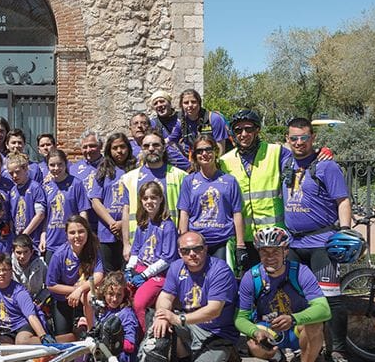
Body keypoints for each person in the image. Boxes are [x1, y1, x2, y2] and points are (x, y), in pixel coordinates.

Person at [282, 117, 353, 362]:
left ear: (313, 138)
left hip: (321, 242)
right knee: (297, 299)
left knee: (331, 301)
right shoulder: (286, 161)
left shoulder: (327, 166)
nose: (299, 142)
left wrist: (344, 232)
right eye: (294, 138)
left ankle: (339, 355)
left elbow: (342, 200)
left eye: (304, 138)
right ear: (287, 140)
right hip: (293, 243)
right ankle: (307, 350)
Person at [234, 227, 330, 362]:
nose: (270, 257)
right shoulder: (252, 277)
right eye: (264, 252)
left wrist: (293, 319)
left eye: (275, 252)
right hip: (269, 330)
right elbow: (240, 318)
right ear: (258, 253)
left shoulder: (300, 272)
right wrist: (255, 332)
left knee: (316, 324)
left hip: (297, 328)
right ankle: (276, 359)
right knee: (252, 343)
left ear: (286, 251)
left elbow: (324, 309)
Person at [144, 231, 240, 362]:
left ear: (206, 249)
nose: (192, 254)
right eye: (185, 251)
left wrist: (178, 319)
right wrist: (162, 315)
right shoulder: (176, 267)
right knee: (157, 321)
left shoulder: (220, 270)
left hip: (217, 331)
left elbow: (214, 310)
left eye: (197, 249)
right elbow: (165, 297)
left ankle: (229, 353)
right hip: (191, 324)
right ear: (180, 252)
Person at [219, 109, 290, 271]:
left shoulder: (276, 152)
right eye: (238, 130)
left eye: (249, 129)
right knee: (250, 285)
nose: (244, 134)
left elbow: (302, 162)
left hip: (274, 234)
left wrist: (321, 153)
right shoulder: (224, 161)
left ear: (257, 130)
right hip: (245, 237)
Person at [49, 271, 139, 362]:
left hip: (118, 356)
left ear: (124, 295)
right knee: (73, 347)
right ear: (104, 292)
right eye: (110, 294)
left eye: (119, 295)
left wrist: (111, 341)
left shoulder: (126, 314)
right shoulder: (104, 309)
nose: (114, 299)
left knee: (87, 343)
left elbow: (130, 345)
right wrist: (85, 322)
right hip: (101, 352)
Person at [177, 135, 244, 264]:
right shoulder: (189, 181)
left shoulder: (229, 181)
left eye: (208, 149)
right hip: (196, 243)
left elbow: (237, 213)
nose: (204, 154)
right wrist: (183, 241)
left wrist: (240, 245)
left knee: (222, 279)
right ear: (195, 155)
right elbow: (184, 213)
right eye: (199, 151)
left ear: (215, 151)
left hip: (222, 240)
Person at [120, 131, 187, 255]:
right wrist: (126, 244)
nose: (151, 149)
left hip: (170, 245)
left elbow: (184, 211)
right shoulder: (129, 178)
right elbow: (126, 212)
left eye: (156, 145)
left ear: (164, 147)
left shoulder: (180, 176)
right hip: (138, 244)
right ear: (141, 149)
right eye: (146, 146)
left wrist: (183, 242)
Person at [125, 181, 178, 332]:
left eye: (153, 197)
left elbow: (167, 259)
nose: (149, 202)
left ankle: (144, 337)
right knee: (122, 298)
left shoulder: (167, 226)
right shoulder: (143, 223)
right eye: (145, 198)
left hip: (158, 274)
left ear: (161, 199)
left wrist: (144, 274)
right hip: (140, 269)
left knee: (139, 303)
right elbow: (135, 251)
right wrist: (129, 269)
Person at [45, 215, 105, 340]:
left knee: (89, 295)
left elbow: (99, 275)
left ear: (87, 232)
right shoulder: (59, 255)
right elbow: (50, 284)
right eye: (72, 233)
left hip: (83, 295)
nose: (77, 236)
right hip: (63, 298)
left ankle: (90, 332)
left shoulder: (93, 250)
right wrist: (74, 290)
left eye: (81, 231)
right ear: (66, 235)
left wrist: (80, 290)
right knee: (64, 337)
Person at [89, 132, 135, 272]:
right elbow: (95, 201)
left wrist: (123, 223)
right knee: (108, 273)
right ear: (109, 150)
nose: (119, 151)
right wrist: (112, 223)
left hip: (130, 231)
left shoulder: (135, 170)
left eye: (122, 147)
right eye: (115, 148)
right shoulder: (103, 170)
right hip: (106, 231)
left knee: (127, 272)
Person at [0, 254, 53, 345]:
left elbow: (31, 316)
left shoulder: (19, 291)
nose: (1, 273)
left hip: (23, 324)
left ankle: (55, 342)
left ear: (12, 271)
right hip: (5, 329)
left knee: (22, 341)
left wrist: (43, 336)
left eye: (5, 270)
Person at [40, 149, 91, 262]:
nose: (56, 168)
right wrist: (43, 236)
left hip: (72, 241)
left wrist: (82, 235)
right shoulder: (46, 187)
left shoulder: (76, 184)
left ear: (65, 164)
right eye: (52, 165)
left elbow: (83, 211)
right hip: (52, 242)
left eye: (60, 164)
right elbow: (45, 216)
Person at [171, 89, 230, 155]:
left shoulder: (214, 119)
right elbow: (171, 141)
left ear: (199, 103)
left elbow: (221, 148)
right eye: (186, 103)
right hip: (192, 161)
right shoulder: (181, 123)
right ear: (181, 105)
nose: (190, 105)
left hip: (212, 159)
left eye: (193, 102)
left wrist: (215, 164)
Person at [7, 152, 46, 249]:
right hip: (17, 240)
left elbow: (40, 214)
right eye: (11, 173)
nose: (14, 176)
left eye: (17, 172)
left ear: (25, 169)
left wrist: (25, 234)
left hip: (32, 240)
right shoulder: (13, 191)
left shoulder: (35, 188)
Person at [147, 91, 191, 170]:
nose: (159, 105)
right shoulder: (153, 124)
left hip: (191, 161)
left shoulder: (184, 117)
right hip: (168, 168)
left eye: (162, 101)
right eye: (156, 103)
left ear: (169, 103)